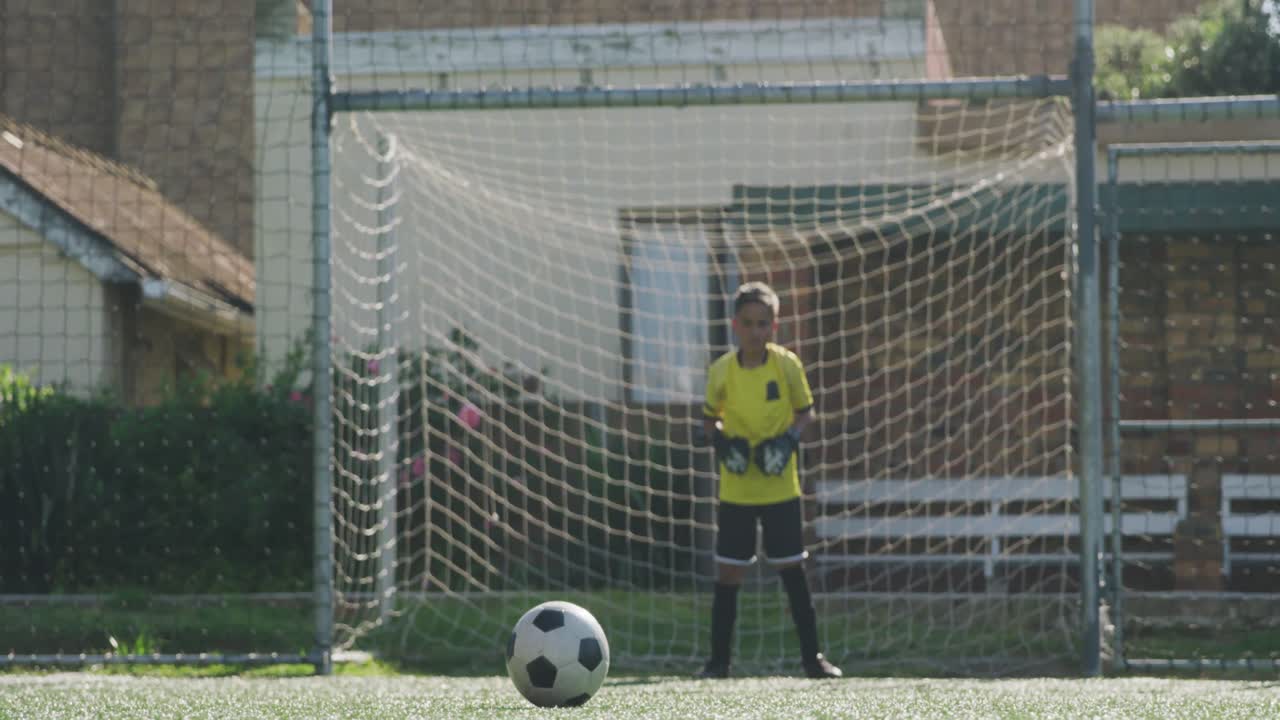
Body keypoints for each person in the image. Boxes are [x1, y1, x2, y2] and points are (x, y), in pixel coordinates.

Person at [696, 281, 843, 680]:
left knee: (792, 570)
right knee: (729, 574)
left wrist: (788, 439)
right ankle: (718, 663)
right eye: (748, 323)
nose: (755, 331)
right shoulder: (721, 371)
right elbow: (709, 421)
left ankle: (813, 660)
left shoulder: (787, 365)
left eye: (763, 324)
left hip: (780, 490)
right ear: (735, 325)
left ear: (774, 327)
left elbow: (805, 412)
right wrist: (722, 443)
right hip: (737, 491)